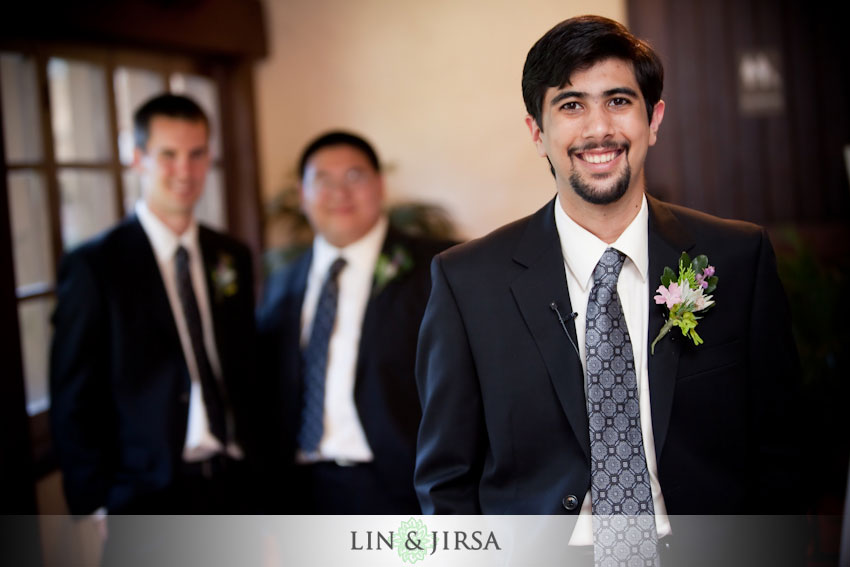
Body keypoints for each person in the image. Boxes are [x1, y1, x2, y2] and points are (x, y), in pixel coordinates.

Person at [414, 15, 803, 565]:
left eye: (619, 101)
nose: (599, 129)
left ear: (654, 119)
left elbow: (782, 446)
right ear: (536, 131)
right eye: (571, 105)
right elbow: (445, 478)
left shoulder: (737, 258)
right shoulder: (467, 281)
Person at [50, 93, 258, 520]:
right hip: (143, 493)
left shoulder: (230, 254)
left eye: (197, 154)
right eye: (169, 155)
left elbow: (246, 365)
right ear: (138, 158)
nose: (185, 170)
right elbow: (73, 394)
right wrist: (95, 503)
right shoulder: (95, 265)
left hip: (232, 484)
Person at [257, 131, 453, 513]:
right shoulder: (281, 283)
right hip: (304, 493)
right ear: (302, 195)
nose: (339, 193)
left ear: (379, 185)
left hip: (403, 490)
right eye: (323, 181)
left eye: (354, 177)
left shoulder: (438, 268)